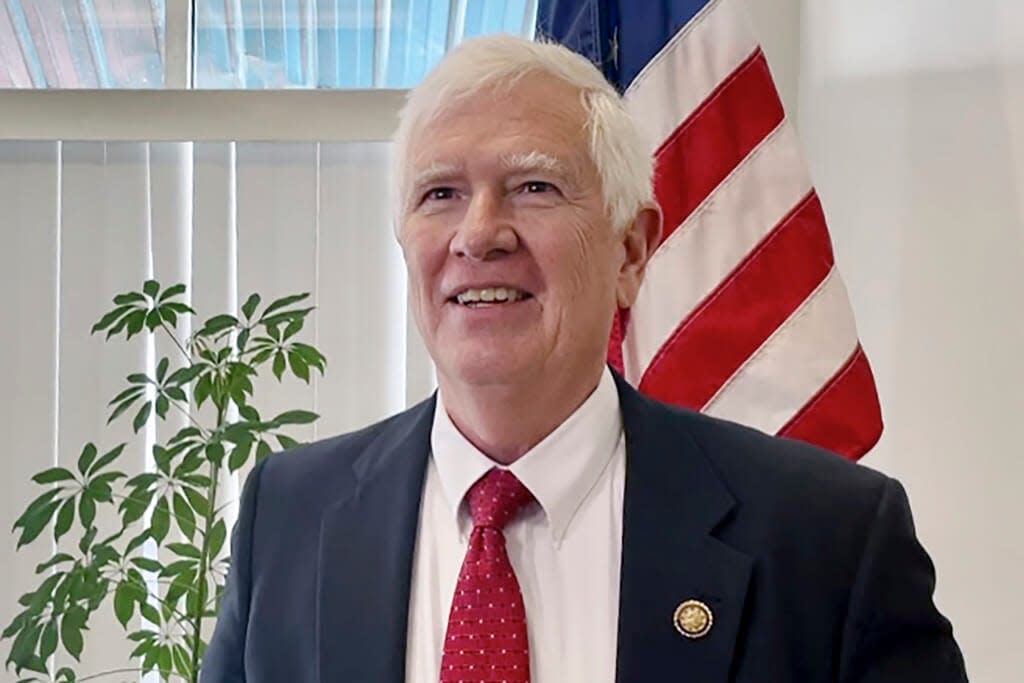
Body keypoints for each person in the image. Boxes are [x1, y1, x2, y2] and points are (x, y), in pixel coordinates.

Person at [202, 35, 967, 682]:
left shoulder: (828, 540)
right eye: (439, 193)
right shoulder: (289, 517)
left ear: (631, 249)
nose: (479, 233)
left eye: (533, 186)